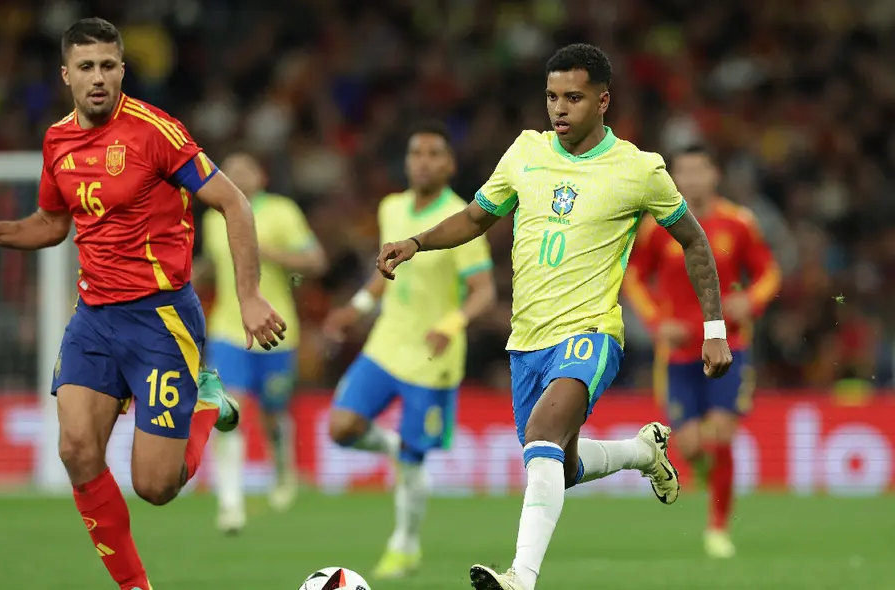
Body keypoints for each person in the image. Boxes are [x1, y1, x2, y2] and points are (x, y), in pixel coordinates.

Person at [375, 44, 734, 590]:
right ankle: (643, 452)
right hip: (528, 342)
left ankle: (522, 577)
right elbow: (476, 216)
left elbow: (695, 241)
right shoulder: (524, 153)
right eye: (551, 97)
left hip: (590, 332)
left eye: (573, 97)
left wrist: (714, 330)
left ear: (603, 100)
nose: (559, 109)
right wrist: (416, 241)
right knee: (556, 465)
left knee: (543, 433)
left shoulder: (639, 169)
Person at [0, 18, 285, 590]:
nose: (98, 77)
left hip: (160, 320)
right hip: (95, 320)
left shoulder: (157, 132)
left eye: (108, 65)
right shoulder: (57, 140)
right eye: (86, 67)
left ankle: (208, 404)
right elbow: (54, 222)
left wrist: (248, 295)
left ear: (122, 70)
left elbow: (234, 204)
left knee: (157, 487)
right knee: (76, 449)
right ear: (66, 75)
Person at [323, 121, 497, 580]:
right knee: (340, 427)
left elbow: (484, 291)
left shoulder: (462, 218)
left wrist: (451, 324)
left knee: (415, 458)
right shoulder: (391, 208)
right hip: (386, 342)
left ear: (449, 164)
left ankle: (404, 544)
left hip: (432, 358)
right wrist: (356, 307)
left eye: (433, 153)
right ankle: (393, 448)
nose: (422, 161)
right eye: (415, 153)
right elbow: (385, 275)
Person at [623, 144, 780, 558]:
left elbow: (768, 273)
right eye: (683, 172)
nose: (691, 179)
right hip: (677, 354)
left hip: (730, 345)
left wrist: (752, 302)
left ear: (714, 175)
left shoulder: (738, 223)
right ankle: (713, 481)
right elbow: (635, 278)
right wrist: (658, 322)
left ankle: (717, 526)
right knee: (691, 445)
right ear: (674, 177)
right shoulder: (658, 225)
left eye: (698, 170)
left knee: (722, 433)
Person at [200, 153, 327, 533]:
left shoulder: (281, 212)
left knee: (273, 412)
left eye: (245, 169)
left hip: (275, 330)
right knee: (227, 412)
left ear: (262, 175)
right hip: (227, 329)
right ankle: (230, 503)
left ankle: (284, 470)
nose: (236, 175)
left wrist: (267, 251)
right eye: (229, 170)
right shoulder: (212, 217)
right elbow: (212, 266)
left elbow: (316, 262)